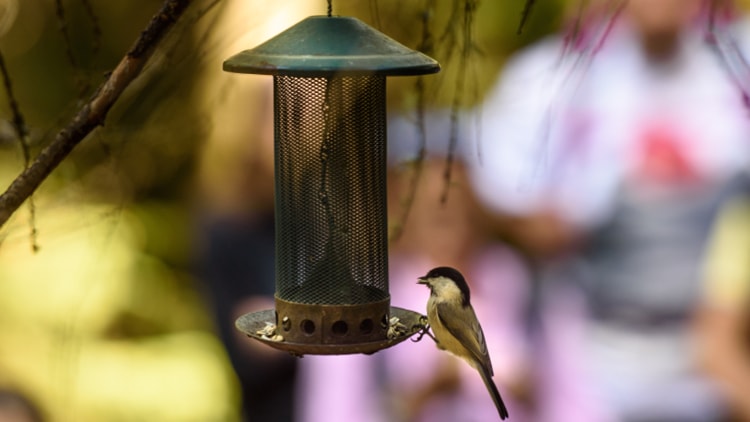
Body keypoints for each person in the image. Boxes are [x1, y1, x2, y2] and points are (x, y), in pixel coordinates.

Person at [468, 1, 750, 421]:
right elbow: (498, 191)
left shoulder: (736, 61)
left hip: (717, 351)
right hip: (590, 348)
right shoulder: (555, 75)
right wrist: (544, 225)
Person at [377, 113, 534, 422]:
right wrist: (419, 397)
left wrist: (534, 394)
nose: (442, 191)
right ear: (399, 198)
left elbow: (576, 400)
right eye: (424, 176)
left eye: (455, 177)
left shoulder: (515, 278)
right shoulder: (371, 298)